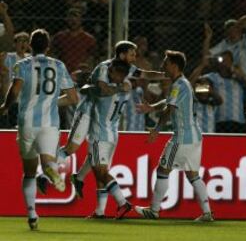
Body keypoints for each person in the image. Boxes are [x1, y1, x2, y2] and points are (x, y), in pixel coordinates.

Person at [51, 40, 164, 200]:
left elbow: (146, 74)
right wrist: (120, 88)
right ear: (122, 54)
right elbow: (103, 89)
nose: (134, 57)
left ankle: (79, 178)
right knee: (72, 148)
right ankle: (46, 173)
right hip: (87, 111)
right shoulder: (105, 67)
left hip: (102, 117)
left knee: (96, 154)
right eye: (132, 54)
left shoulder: (126, 69)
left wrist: (167, 75)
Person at [0, 29, 79, 230]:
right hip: (50, 124)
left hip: (27, 122)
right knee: (47, 161)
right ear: (48, 47)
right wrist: (52, 101)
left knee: (28, 173)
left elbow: (15, 89)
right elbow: (72, 98)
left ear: (29, 46)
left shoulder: (23, 65)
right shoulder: (59, 65)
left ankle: (32, 215)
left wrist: (5, 106)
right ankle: (50, 170)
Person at [134, 50, 213, 222]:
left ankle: (154, 210)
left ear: (174, 66)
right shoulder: (181, 84)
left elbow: (169, 110)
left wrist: (156, 129)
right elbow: (168, 102)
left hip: (182, 138)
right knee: (193, 175)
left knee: (163, 170)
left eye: (166, 63)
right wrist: (152, 107)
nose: (163, 65)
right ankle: (207, 213)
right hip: (194, 136)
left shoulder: (179, 85)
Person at [83, 60, 132, 219]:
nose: (109, 73)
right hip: (112, 134)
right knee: (100, 174)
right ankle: (100, 211)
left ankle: (122, 202)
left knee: (101, 173)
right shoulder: (127, 87)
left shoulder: (106, 90)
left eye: (113, 71)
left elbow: (92, 90)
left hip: (99, 134)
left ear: (120, 74)